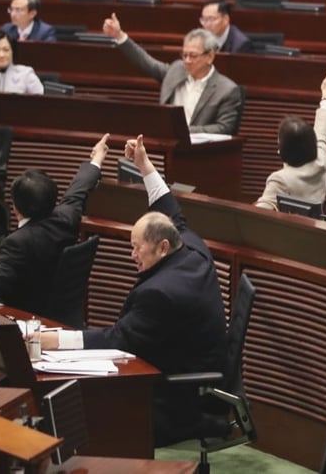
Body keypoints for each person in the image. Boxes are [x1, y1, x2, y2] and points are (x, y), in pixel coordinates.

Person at [41, 134, 227, 447]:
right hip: (189, 365)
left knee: (89, 415)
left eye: (137, 248)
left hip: (176, 399)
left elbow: (117, 339)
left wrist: (57, 339)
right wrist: (144, 165)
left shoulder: (162, 293)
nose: (132, 256)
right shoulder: (192, 247)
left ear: (162, 247)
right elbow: (171, 209)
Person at [0, 134, 109, 318]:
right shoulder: (67, 217)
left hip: (24, 316)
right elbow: (80, 187)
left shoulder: (17, 244)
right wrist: (97, 159)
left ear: (15, 207)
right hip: (63, 313)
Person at [103, 13, 243, 135]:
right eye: (184, 55)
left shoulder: (227, 90)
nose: (187, 61)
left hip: (202, 153)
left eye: (193, 56)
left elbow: (225, 128)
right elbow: (147, 63)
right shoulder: (176, 70)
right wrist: (119, 36)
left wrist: (184, 130)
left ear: (210, 57)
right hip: (167, 147)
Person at [255, 73, 326, 210]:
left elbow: (260, 212)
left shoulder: (280, 180)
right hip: (317, 228)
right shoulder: (321, 161)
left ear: (284, 148)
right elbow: (322, 132)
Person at [0, 30, 44, 95]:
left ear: (12, 52)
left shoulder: (26, 74)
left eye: (6, 50)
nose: (1, 55)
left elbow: (40, 102)